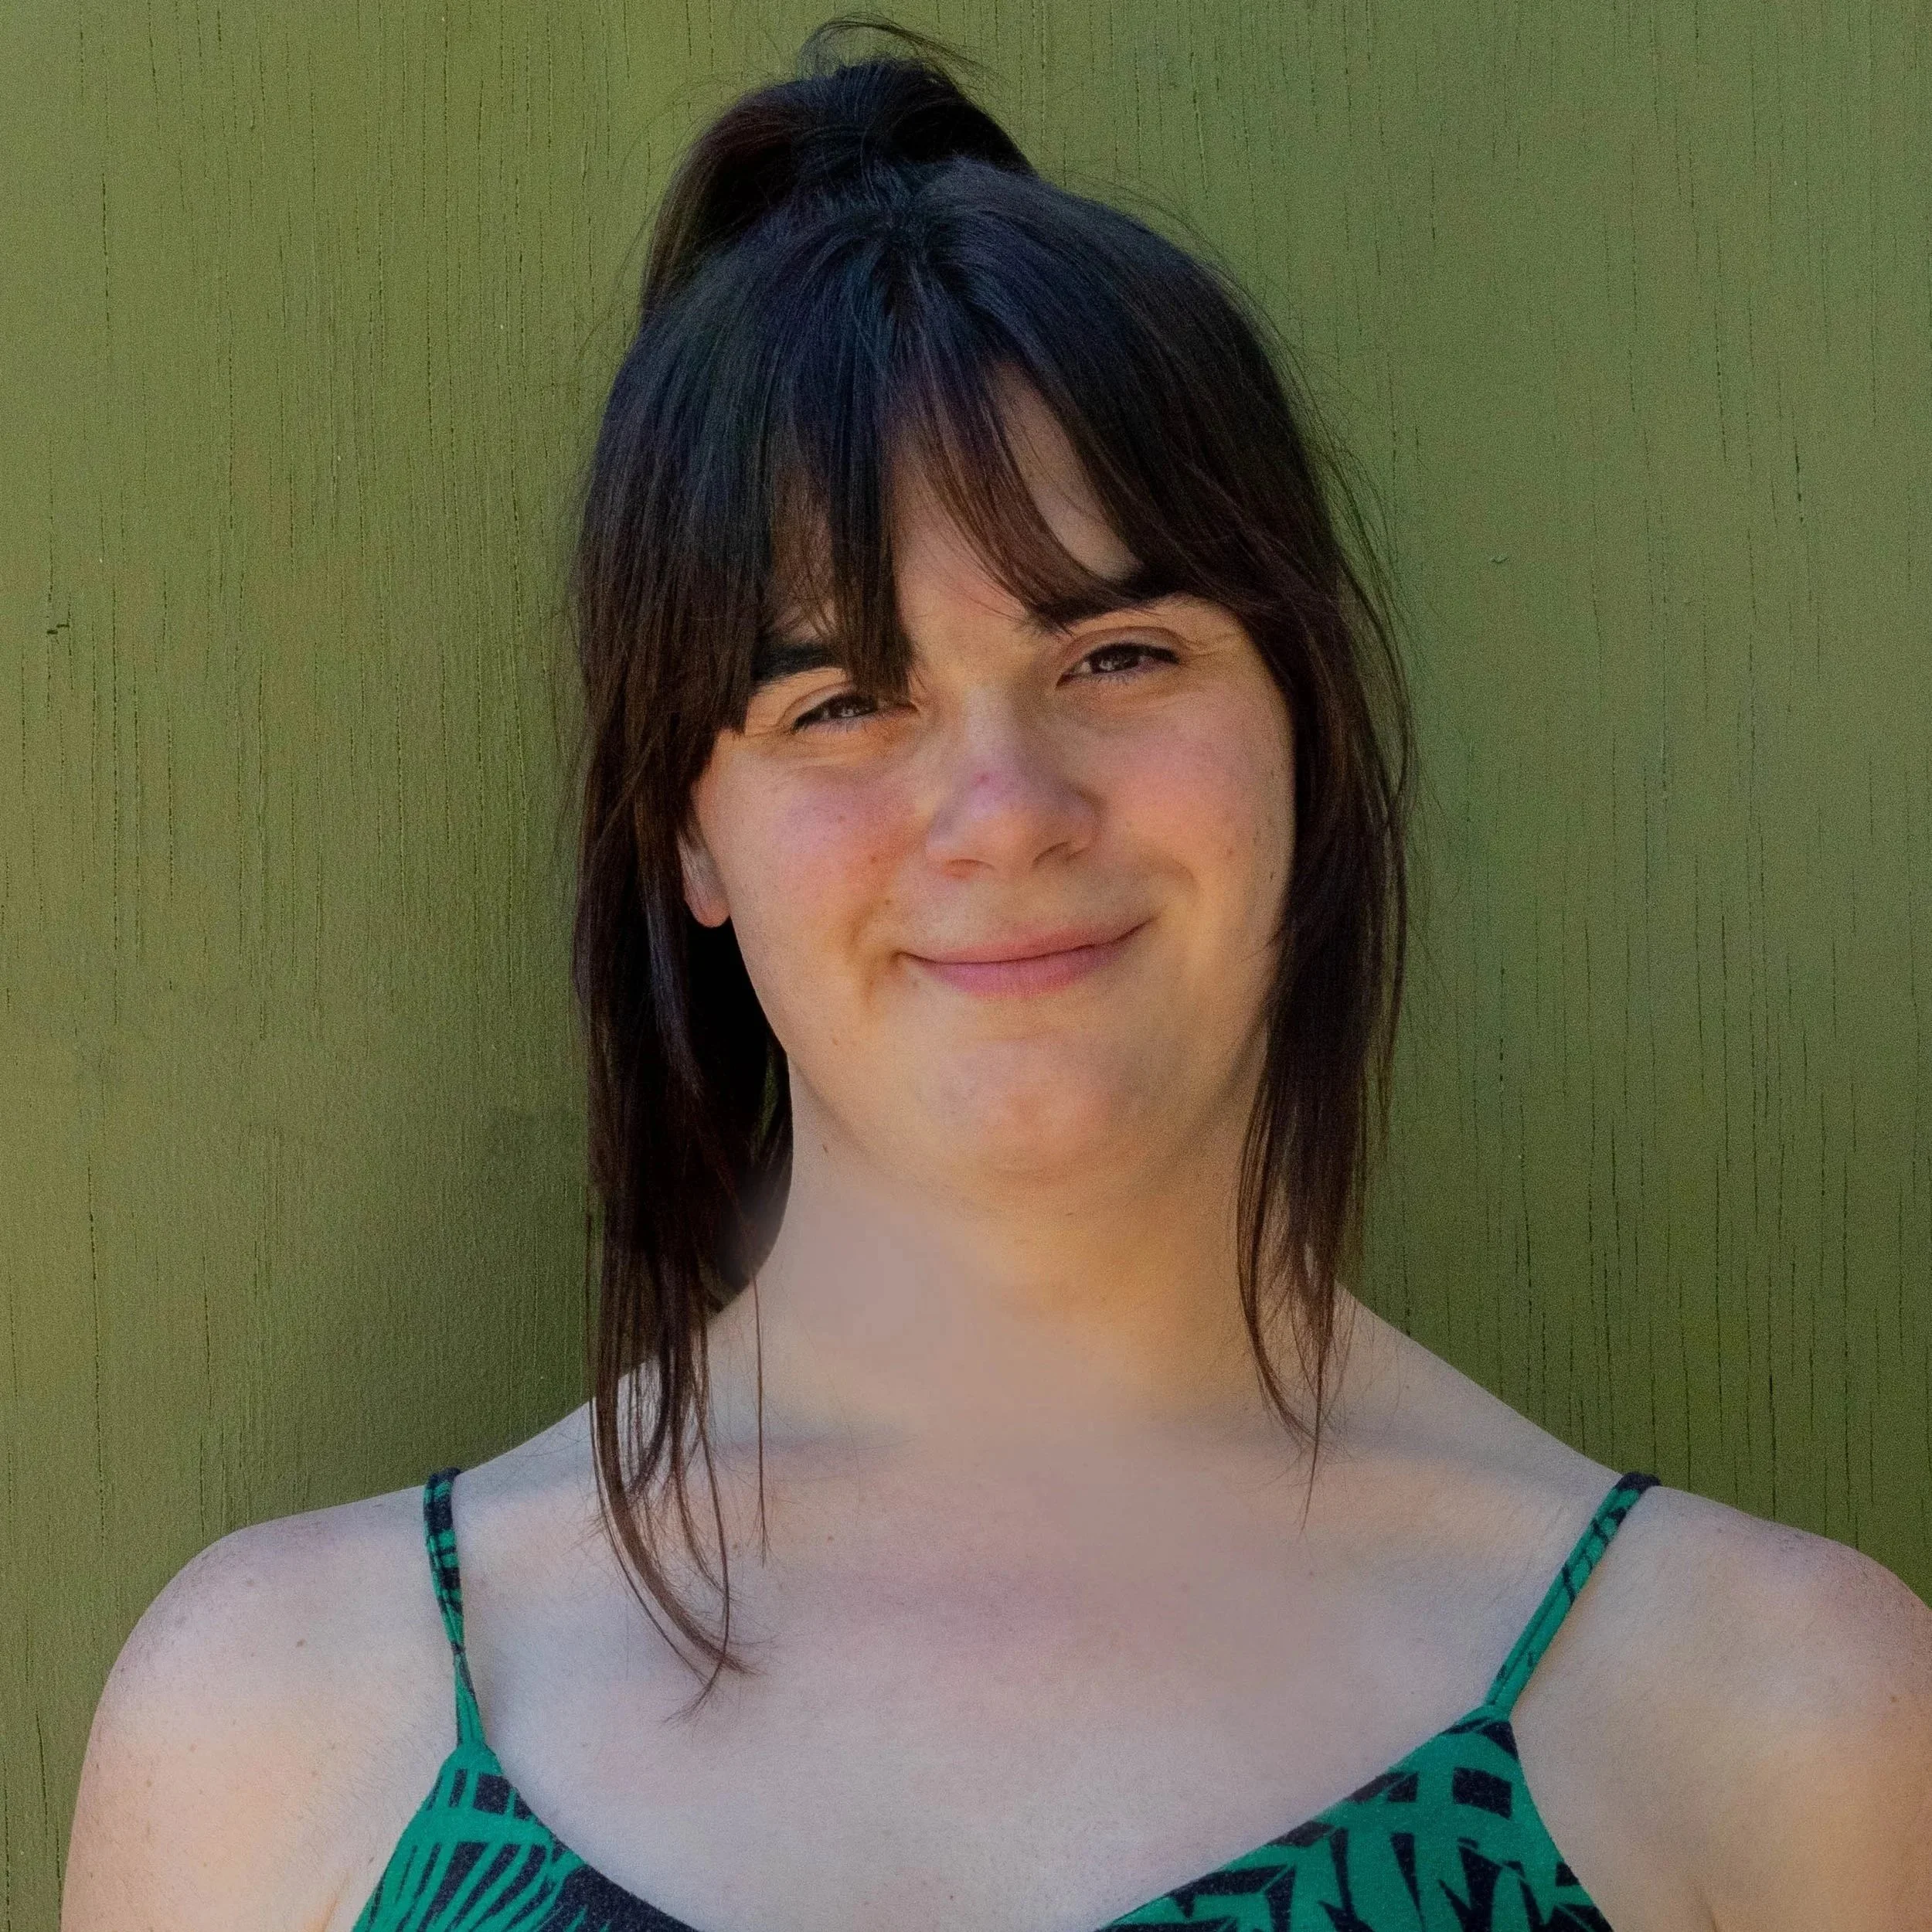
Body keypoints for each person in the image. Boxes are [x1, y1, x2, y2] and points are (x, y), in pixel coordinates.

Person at [61, 23, 1932, 1932]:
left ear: (1301, 728)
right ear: (685, 828)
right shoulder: (283, 1722)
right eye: (839, 700)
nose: (1005, 809)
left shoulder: (1764, 1722)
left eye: (1115, 656)